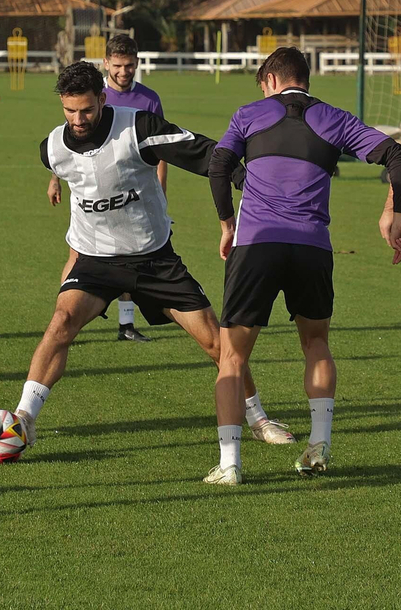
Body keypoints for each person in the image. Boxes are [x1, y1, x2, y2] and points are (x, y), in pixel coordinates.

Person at [16, 61, 294, 459]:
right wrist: (56, 185)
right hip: (96, 261)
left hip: (154, 260)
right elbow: (62, 165)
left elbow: (203, 151)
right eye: (69, 111)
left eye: (87, 110)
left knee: (217, 343)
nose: (78, 119)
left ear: (103, 99)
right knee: (60, 323)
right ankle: (24, 418)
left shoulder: (138, 128)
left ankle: (259, 419)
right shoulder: (52, 147)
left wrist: (245, 178)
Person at [206, 48, 401, 484]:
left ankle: (230, 465)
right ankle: (318, 444)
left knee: (232, 357)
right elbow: (397, 156)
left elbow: (220, 164)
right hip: (312, 248)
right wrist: (399, 213)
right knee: (316, 343)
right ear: (306, 80)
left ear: (269, 80)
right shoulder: (335, 119)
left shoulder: (250, 113)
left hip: (257, 246)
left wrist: (227, 221)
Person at [49, 32, 164, 341]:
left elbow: (161, 150)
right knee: (76, 256)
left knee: (129, 255)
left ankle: (126, 324)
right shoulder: (92, 95)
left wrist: (160, 195)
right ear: (107, 64)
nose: (124, 72)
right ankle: (62, 320)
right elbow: (65, 143)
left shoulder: (149, 99)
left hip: (132, 194)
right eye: (118, 65)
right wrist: (54, 180)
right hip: (90, 195)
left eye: (129, 65)